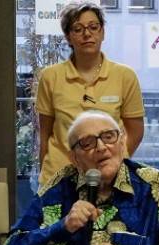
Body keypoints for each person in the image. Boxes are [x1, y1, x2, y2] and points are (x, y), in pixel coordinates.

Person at [2, 111, 159, 245]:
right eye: (88, 142)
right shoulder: (58, 188)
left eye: (108, 137)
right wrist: (61, 226)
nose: (101, 147)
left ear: (122, 142)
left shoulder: (151, 184)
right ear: (74, 157)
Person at [36, 1, 145, 186]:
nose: (87, 34)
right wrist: (45, 174)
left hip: (108, 179)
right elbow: (45, 134)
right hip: (59, 177)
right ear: (68, 37)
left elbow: (135, 131)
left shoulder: (125, 76)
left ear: (102, 32)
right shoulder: (50, 77)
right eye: (78, 29)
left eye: (93, 27)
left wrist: (113, 161)